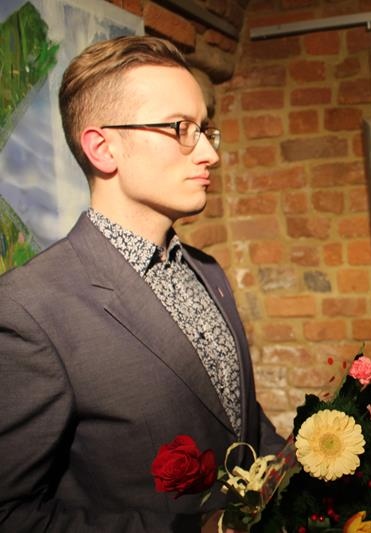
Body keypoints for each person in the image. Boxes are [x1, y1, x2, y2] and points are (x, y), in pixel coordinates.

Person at [0, 36, 284, 532]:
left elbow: (237, 421)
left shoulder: (207, 271)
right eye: (180, 129)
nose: (209, 154)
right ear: (102, 148)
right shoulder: (28, 310)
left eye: (204, 130)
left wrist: (318, 472)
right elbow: (11, 513)